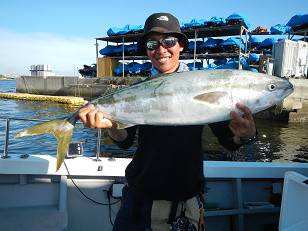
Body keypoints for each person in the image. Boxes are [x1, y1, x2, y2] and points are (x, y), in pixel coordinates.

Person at [79, 12, 257, 231]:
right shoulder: (137, 91)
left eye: (169, 41)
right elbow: (125, 141)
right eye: (153, 43)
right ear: (146, 50)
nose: (161, 49)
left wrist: (246, 135)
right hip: (137, 198)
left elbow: (229, 141)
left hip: (182, 203)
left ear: (181, 45)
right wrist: (112, 126)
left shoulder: (204, 85)